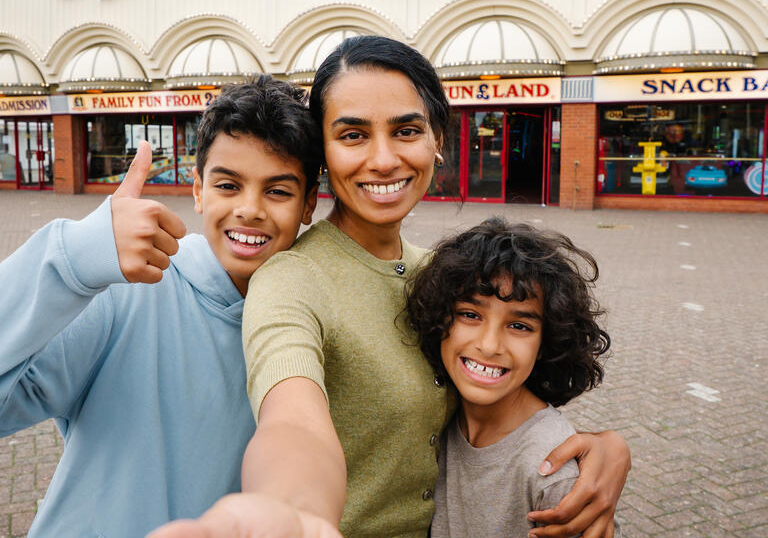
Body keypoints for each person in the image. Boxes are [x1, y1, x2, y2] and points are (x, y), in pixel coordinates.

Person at [151, 36, 629, 538]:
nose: (382, 160)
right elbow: (291, 415)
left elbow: (503, 389)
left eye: (405, 130)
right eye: (353, 135)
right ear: (324, 157)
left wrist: (596, 446)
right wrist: (295, 511)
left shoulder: (442, 275)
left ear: (436, 139)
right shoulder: (291, 279)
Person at [0, 77, 322, 537]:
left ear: (309, 202)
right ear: (198, 190)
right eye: (228, 185)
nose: (250, 209)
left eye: (277, 191)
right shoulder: (125, 290)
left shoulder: (311, 321)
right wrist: (71, 260)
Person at [405, 218, 622, 537]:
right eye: (470, 314)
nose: (489, 345)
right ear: (439, 318)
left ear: (546, 344)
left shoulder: (553, 473)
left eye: (519, 326)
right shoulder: (440, 412)